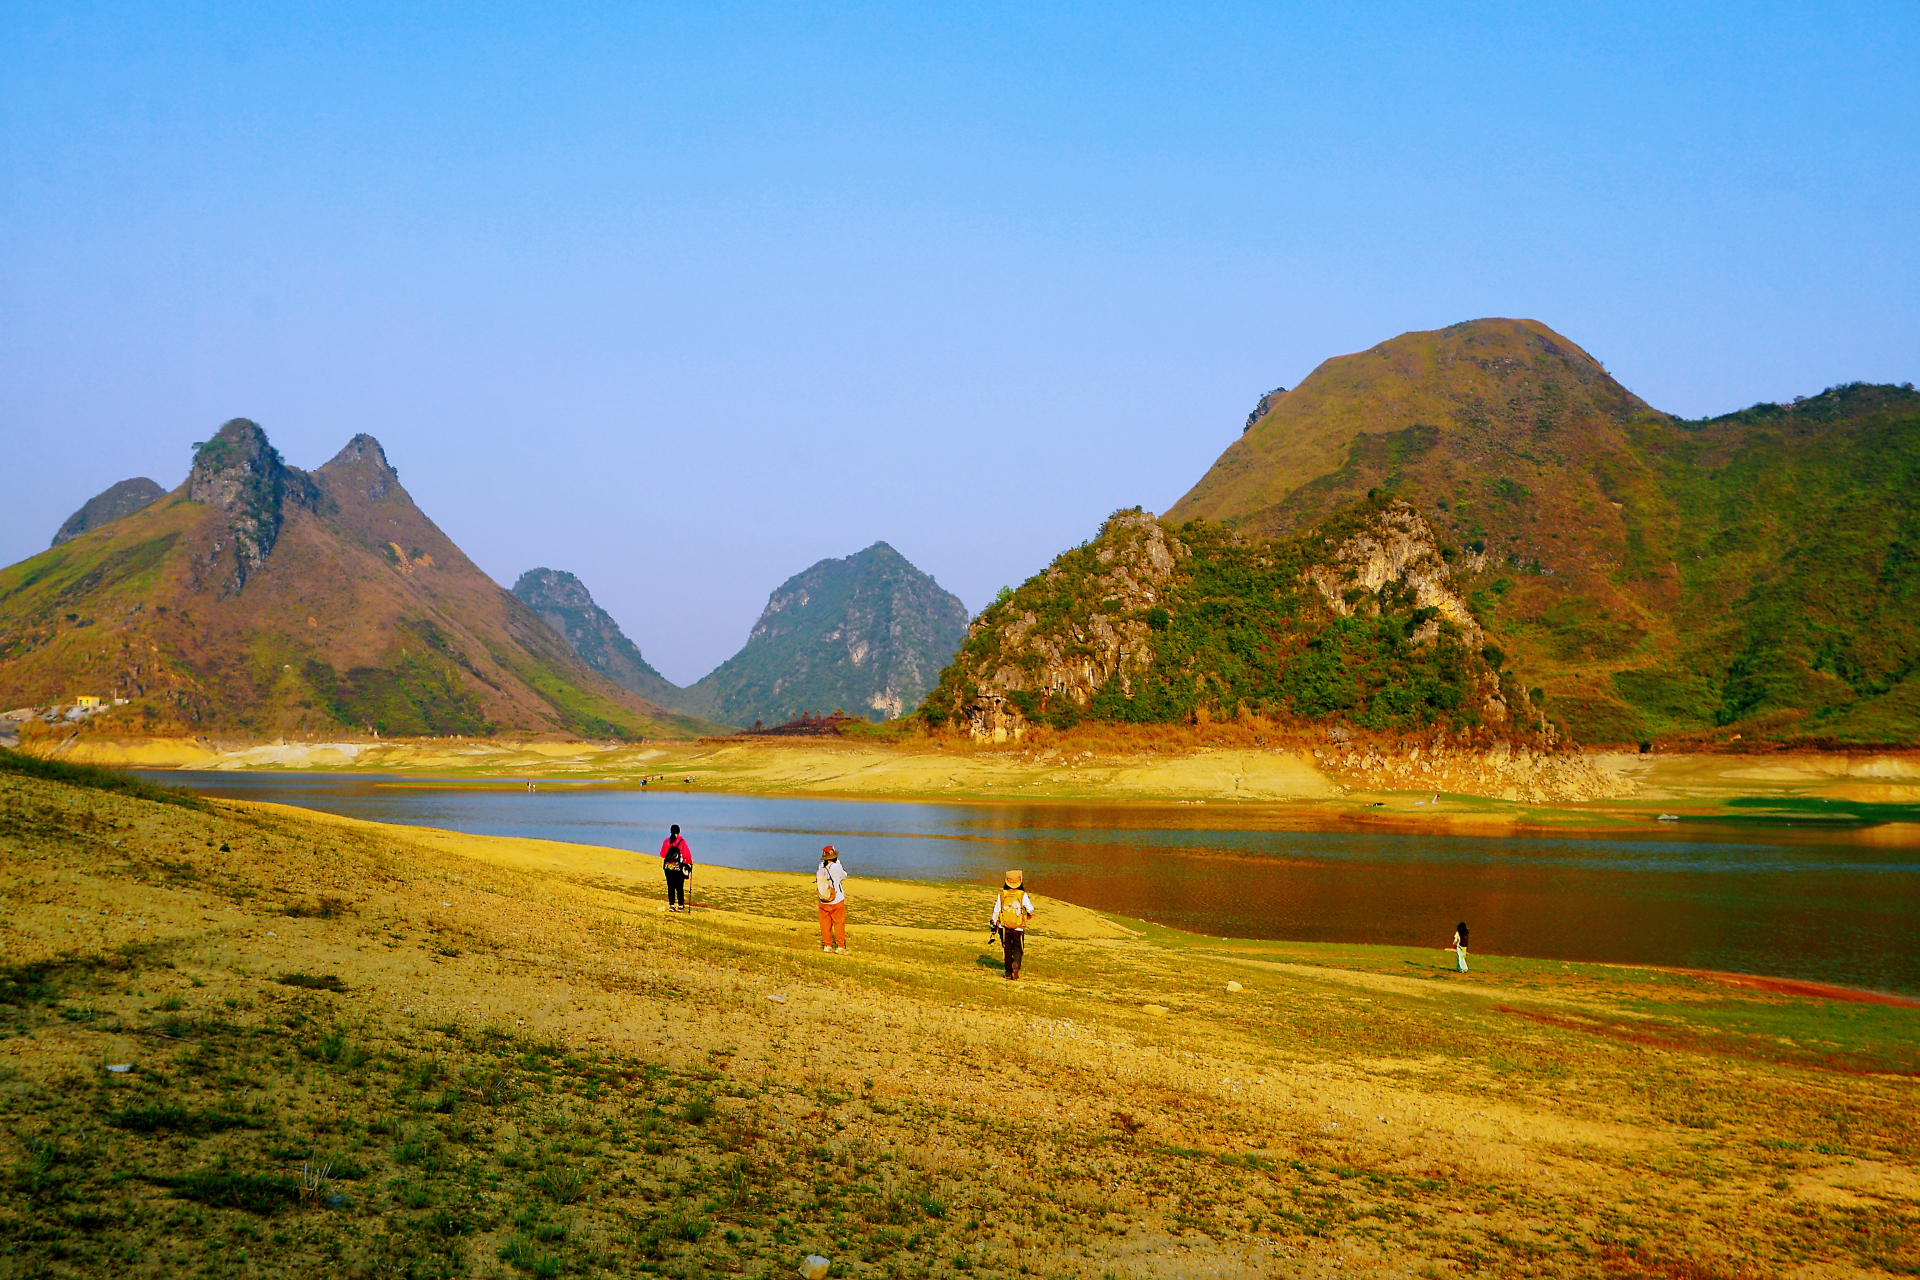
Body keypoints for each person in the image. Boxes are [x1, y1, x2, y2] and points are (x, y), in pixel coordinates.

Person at [992, 870, 1035, 980]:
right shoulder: (1022, 895)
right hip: (1018, 927)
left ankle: (1007, 972)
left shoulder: (1002, 895)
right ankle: (1016, 964)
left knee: (1007, 949)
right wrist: (1029, 913)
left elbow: (996, 911)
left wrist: (993, 922)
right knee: (1018, 948)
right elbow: (1030, 908)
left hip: (1003, 926)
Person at [816, 846, 848, 953]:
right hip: (837, 899)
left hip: (823, 899)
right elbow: (844, 876)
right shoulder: (836, 867)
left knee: (825, 924)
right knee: (839, 923)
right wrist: (838, 863)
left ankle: (827, 945)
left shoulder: (820, 866)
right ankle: (840, 946)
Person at [659, 824, 693, 913]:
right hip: (678, 867)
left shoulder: (666, 841)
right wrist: (689, 862)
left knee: (671, 886)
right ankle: (680, 905)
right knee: (679, 886)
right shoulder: (681, 842)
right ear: (678, 832)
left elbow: (662, 854)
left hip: (668, 867)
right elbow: (687, 855)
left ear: (671, 831)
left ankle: (672, 905)